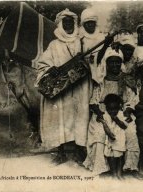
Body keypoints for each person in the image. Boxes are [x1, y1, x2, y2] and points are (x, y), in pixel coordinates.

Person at [35, 9, 88, 164]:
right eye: (65, 22)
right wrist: (51, 69)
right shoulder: (54, 45)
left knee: (79, 117)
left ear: (75, 23)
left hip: (79, 87)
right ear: (60, 24)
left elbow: (91, 60)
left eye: (71, 22)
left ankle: (79, 150)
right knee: (60, 119)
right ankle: (61, 152)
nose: (68, 25)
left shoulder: (81, 42)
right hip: (61, 87)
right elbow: (42, 63)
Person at [83, 48, 139, 175]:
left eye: (117, 62)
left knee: (130, 131)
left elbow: (131, 100)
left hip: (121, 112)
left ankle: (129, 166)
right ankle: (102, 167)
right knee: (99, 132)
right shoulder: (101, 82)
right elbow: (94, 101)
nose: (114, 65)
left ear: (121, 64)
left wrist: (128, 111)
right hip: (103, 112)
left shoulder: (126, 81)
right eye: (111, 62)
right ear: (106, 64)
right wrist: (99, 114)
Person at [100, 94, 138, 179]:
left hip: (119, 139)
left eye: (115, 109)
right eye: (110, 109)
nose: (112, 111)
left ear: (119, 107)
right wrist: (109, 133)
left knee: (120, 156)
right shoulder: (106, 115)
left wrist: (116, 119)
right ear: (106, 108)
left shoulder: (121, 114)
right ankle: (113, 173)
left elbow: (124, 126)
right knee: (111, 157)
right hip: (110, 138)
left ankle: (119, 173)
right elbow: (105, 125)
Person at [79, 8, 105, 82]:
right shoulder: (80, 39)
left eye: (92, 22)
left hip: (101, 72)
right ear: (84, 24)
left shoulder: (102, 37)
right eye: (88, 23)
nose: (90, 25)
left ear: (95, 23)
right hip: (85, 75)